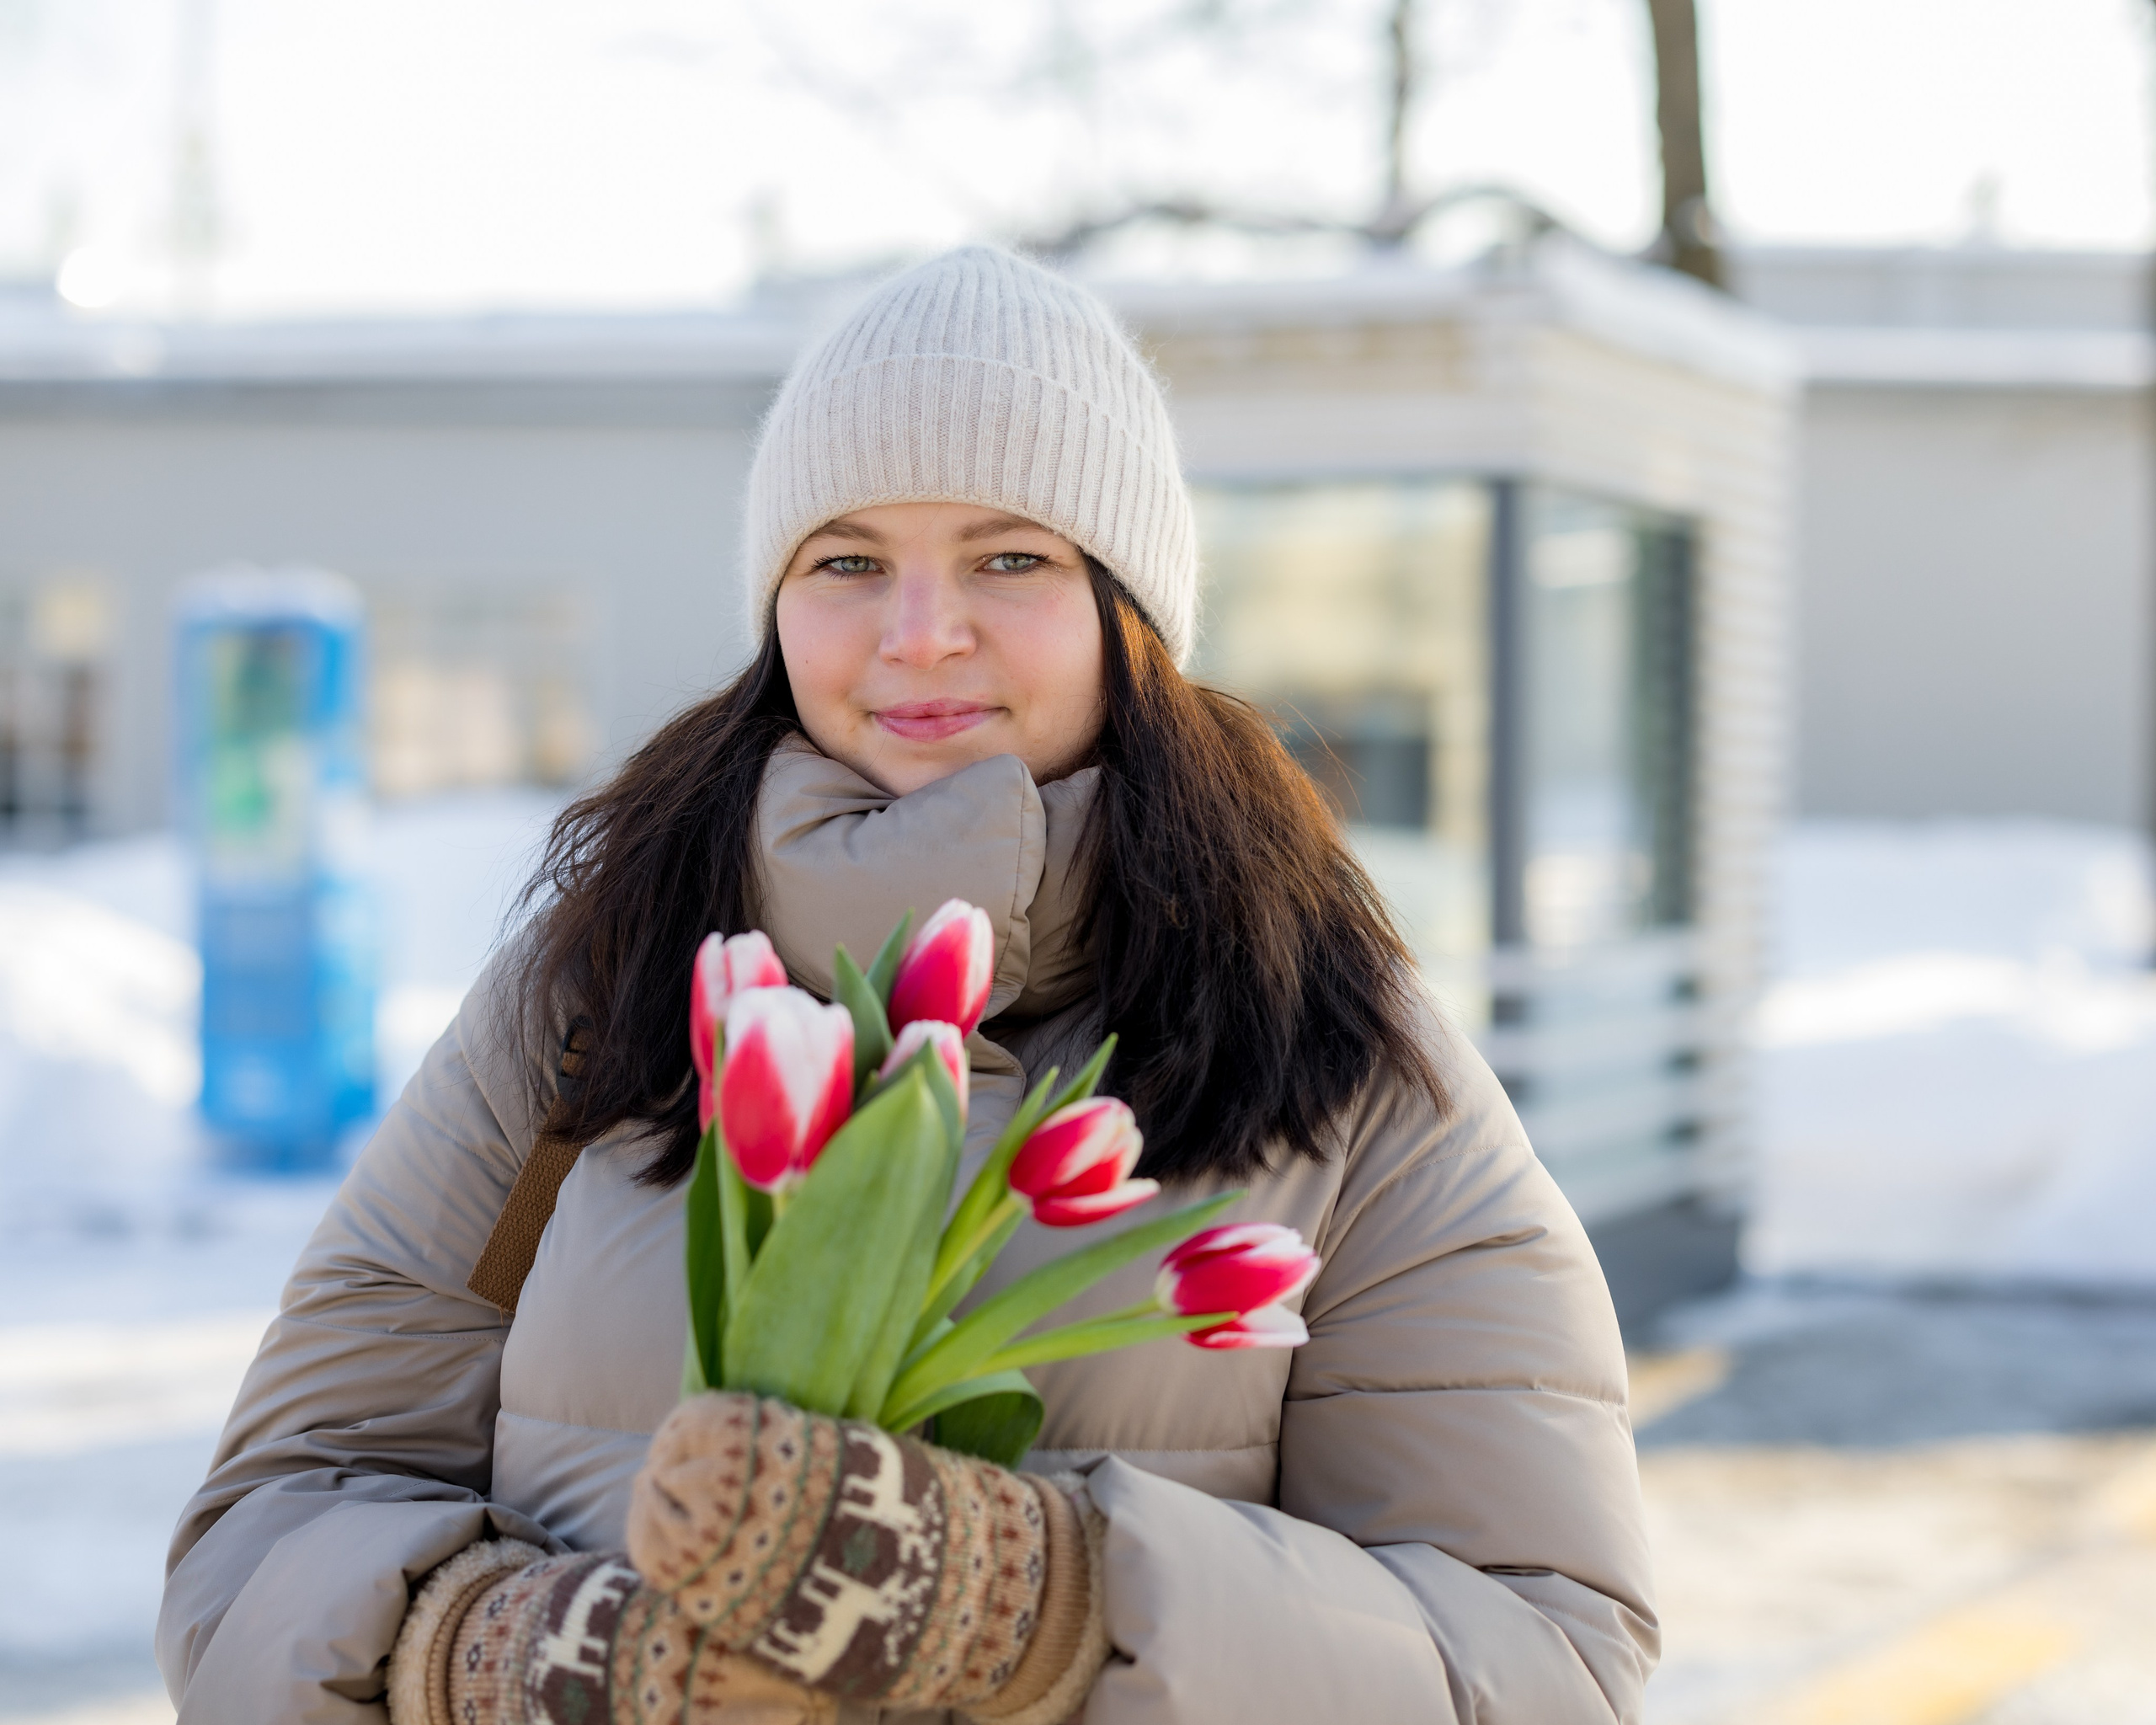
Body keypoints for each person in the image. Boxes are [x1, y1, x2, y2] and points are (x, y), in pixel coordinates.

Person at [158, 247, 1656, 1725]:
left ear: (1128, 614)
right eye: (849, 560)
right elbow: (270, 1529)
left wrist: (1043, 1613)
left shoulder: (1329, 1045)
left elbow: (1544, 1654)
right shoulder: (595, 992)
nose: (920, 632)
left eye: (1013, 558)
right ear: (777, 607)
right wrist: (502, 1657)